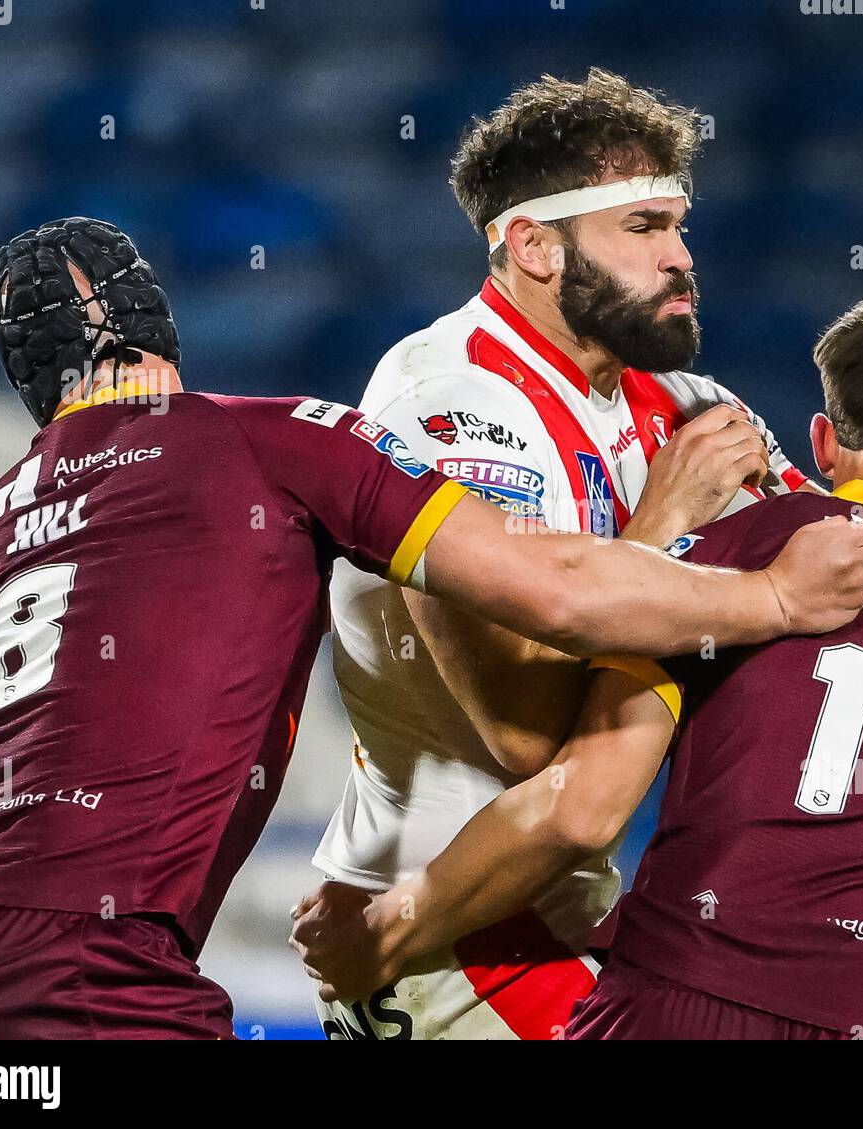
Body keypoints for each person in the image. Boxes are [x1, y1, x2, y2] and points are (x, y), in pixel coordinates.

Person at [0, 217, 863, 1040]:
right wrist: (770, 595)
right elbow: (551, 589)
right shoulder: (262, 439)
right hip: (88, 977)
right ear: (156, 323)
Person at [294, 287, 863, 1041]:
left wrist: (388, 930)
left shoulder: (728, 553)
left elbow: (578, 807)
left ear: (822, 439)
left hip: (690, 997)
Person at [300, 68, 823, 1041]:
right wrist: (670, 533)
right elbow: (526, 737)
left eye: (678, 223)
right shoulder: (445, 403)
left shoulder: (680, 401)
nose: (680, 258)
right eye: (640, 229)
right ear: (533, 246)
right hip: (442, 941)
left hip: (571, 908)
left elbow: (841, 578)